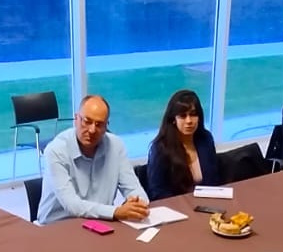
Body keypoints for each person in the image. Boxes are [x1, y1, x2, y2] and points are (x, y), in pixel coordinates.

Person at [37, 95, 150, 224]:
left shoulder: (116, 145)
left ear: (106, 126)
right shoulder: (56, 150)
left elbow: (133, 188)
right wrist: (116, 212)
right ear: (76, 119)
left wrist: (138, 203)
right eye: (87, 121)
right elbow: (72, 205)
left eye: (99, 124)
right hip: (59, 226)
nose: (92, 130)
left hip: (101, 222)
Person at [145, 89, 221, 199]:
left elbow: (213, 180)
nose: (189, 121)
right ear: (173, 119)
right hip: (176, 205)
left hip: (207, 202)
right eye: (182, 116)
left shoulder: (205, 139)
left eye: (193, 114)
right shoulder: (160, 148)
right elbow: (158, 192)